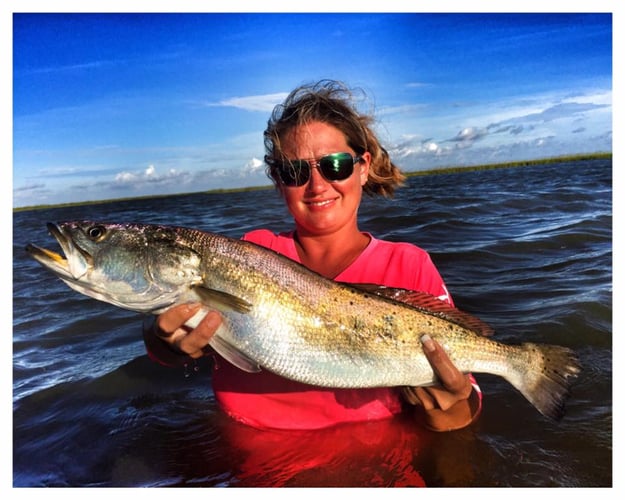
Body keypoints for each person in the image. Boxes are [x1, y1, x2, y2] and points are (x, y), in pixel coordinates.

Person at [143, 79, 482, 432]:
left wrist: (448, 406)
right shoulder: (246, 255)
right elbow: (169, 348)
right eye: (295, 171)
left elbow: (461, 412)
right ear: (278, 181)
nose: (317, 185)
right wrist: (164, 341)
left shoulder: (408, 265)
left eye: (335, 165)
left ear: (363, 167)